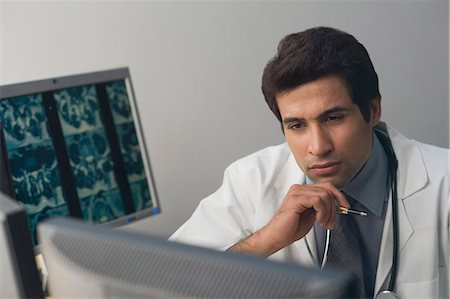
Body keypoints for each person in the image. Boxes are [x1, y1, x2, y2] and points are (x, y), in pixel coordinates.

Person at [170, 27, 449, 298]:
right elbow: (167, 283)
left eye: (332, 118)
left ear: (372, 110)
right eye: (297, 126)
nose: (318, 147)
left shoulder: (443, 183)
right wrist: (267, 239)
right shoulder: (250, 181)